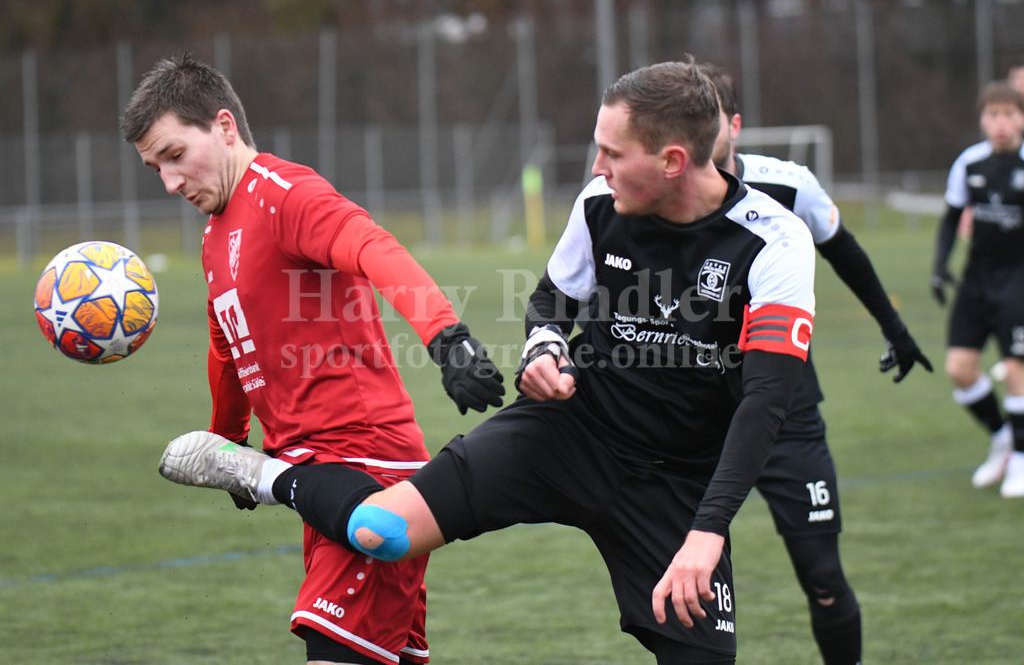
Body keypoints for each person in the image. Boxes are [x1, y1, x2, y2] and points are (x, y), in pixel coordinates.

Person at [158, 58, 816, 664]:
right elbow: (550, 304)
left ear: (673, 160)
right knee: (382, 528)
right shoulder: (600, 205)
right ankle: (269, 475)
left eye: (612, 152)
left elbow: (766, 401)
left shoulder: (773, 242)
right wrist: (545, 350)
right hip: (567, 431)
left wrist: (707, 532)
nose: (596, 166)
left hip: (677, 483)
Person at [121, 53, 505, 665]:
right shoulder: (214, 235)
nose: (170, 182)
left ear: (224, 127)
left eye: (174, 155)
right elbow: (229, 344)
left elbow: (372, 247)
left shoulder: (284, 195)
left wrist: (445, 335)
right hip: (318, 469)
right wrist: (228, 445)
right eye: (154, 168)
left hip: (363, 462)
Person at [702, 64, 932, 665]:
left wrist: (895, 326)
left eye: (711, 119)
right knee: (682, 577)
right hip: (690, 409)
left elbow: (844, 251)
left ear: (735, 126)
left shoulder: (788, 186)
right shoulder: (653, 195)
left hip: (784, 406)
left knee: (824, 580)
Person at [932, 80, 1024, 498]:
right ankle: (1003, 438)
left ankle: (1021, 459)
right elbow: (952, 218)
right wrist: (939, 266)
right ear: (982, 119)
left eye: (1009, 114)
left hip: (1018, 279)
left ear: (1021, 118)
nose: (1000, 123)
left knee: (1017, 371)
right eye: (993, 115)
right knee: (960, 370)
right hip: (977, 280)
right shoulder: (969, 163)